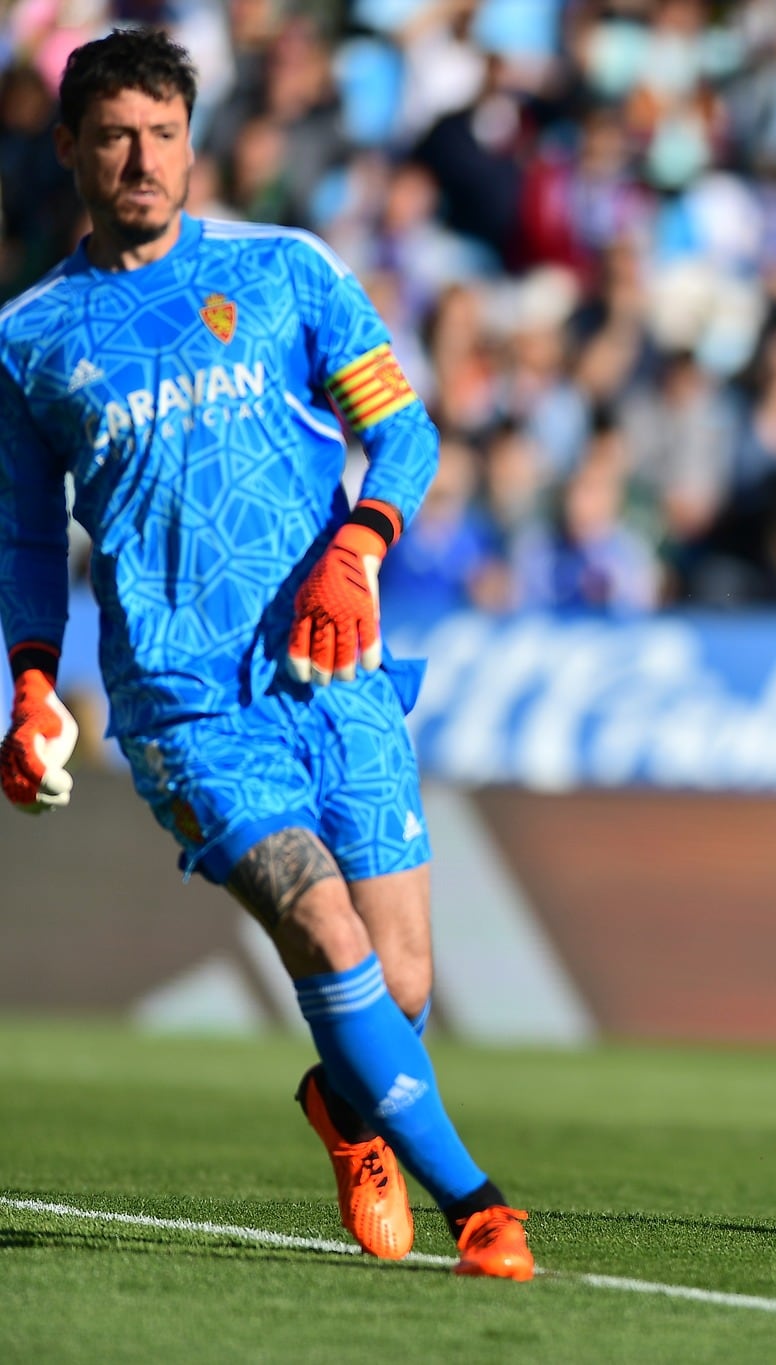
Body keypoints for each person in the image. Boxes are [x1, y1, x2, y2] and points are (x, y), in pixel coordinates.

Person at [0, 31, 532, 1279]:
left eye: (166, 133)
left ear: (193, 140)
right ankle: (481, 1204)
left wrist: (361, 543)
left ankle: (345, 1111)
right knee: (322, 926)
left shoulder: (286, 270)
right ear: (70, 146)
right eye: (118, 135)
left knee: (400, 976)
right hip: (184, 703)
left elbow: (402, 434)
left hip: (333, 666)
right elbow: (26, 541)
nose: (145, 159)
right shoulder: (27, 341)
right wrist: (29, 680)